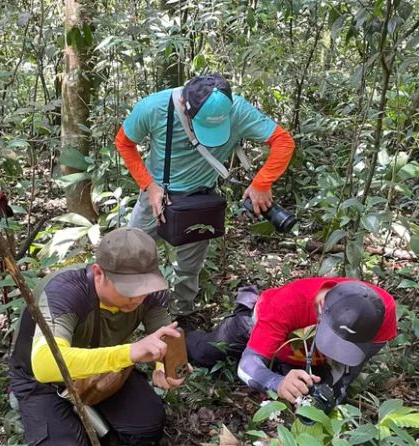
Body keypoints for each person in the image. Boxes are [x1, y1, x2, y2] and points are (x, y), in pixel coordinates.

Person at [7, 228, 184, 446]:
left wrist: (163, 365)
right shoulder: (67, 291)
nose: (138, 298)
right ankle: (42, 414)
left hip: (103, 369)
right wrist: (130, 352)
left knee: (147, 427)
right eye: (129, 289)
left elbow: (166, 336)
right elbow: (45, 364)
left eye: (144, 287)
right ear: (99, 273)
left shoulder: (150, 294)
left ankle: (84, 415)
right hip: (44, 383)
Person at [115, 73, 295, 321]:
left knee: (188, 268)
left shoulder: (238, 110)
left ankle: (182, 315)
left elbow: (283, 141)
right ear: (185, 105)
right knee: (131, 253)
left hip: (199, 200)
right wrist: (150, 186)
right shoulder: (154, 107)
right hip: (156, 196)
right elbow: (124, 142)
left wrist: (262, 183)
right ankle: (121, 310)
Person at [188, 278, 397, 406]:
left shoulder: (382, 311)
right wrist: (277, 383)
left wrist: (329, 395)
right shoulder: (286, 304)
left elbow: (348, 370)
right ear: (321, 307)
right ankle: (191, 329)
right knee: (204, 352)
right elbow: (247, 366)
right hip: (258, 326)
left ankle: (286, 365)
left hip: (303, 351)